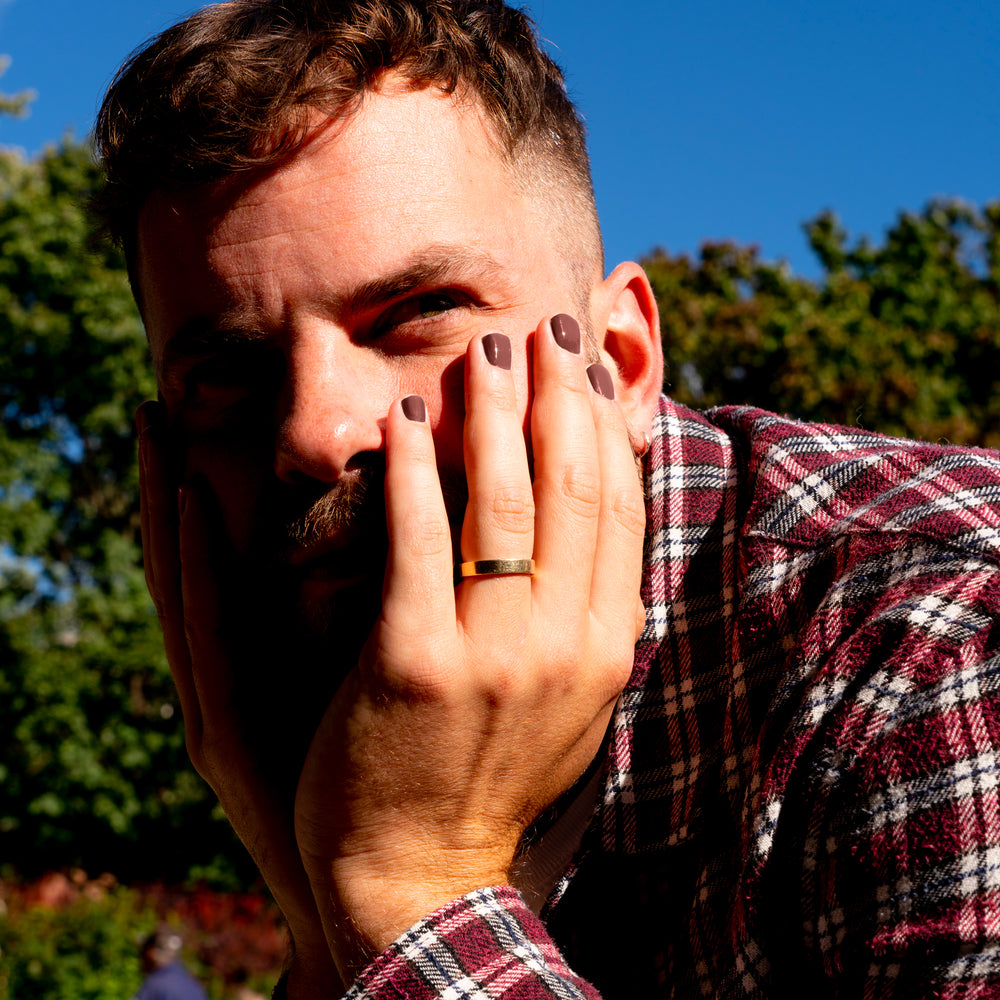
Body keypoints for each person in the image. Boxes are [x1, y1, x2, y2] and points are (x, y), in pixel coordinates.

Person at [95, 1, 1000, 996]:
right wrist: (322, 934)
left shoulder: (937, 652)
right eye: (226, 376)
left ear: (620, 359)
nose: (313, 431)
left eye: (416, 314)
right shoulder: (322, 705)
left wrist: (410, 887)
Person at [133, 928, 208, 1000]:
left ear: (151, 952)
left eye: (143, 951)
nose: (140, 958)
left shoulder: (156, 984)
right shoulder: (194, 986)